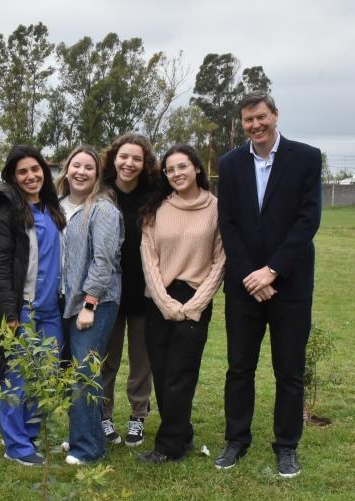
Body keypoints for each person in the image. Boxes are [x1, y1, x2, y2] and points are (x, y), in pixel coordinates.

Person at [215, 91, 322, 478]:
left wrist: (272, 271)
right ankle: (236, 440)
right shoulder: (229, 165)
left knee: (289, 370)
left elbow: (308, 221)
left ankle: (286, 446)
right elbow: (228, 224)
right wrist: (251, 276)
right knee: (239, 368)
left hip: (290, 286)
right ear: (241, 124)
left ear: (275, 115)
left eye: (261, 117)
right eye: (248, 120)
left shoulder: (306, 158)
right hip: (244, 286)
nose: (255, 125)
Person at [137, 145, 225, 464]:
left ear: (197, 168)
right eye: (170, 169)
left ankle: (169, 446)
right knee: (161, 373)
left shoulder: (216, 208)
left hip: (195, 299)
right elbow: (149, 256)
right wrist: (164, 301)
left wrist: (195, 304)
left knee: (181, 373)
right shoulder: (156, 207)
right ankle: (182, 430)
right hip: (159, 299)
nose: (176, 173)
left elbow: (220, 260)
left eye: (182, 167)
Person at [0, 145, 67, 466]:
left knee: (46, 377)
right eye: (22, 172)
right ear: (13, 176)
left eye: (35, 170)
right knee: (17, 379)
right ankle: (16, 445)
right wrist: (9, 313)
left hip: (53, 310)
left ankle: (31, 435)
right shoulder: (8, 211)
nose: (30, 176)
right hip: (24, 310)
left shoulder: (53, 207)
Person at [56, 145, 124, 465]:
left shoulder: (103, 209)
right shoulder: (57, 206)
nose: (81, 172)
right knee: (74, 371)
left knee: (85, 370)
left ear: (97, 175)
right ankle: (81, 436)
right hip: (64, 301)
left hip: (95, 302)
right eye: (76, 165)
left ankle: (90, 449)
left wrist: (90, 303)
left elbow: (104, 261)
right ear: (67, 169)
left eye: (89, 167)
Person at [98, 133, 159, 447]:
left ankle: (138, 417)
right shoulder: (101, 192)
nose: (129, 164)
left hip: (144, 293)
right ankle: (104, 415)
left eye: (137, 158)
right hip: (108, 292)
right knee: (107, 360)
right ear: (114, 158)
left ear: (145, 162)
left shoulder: (155, 195)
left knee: (141, 360)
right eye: (124, 156)